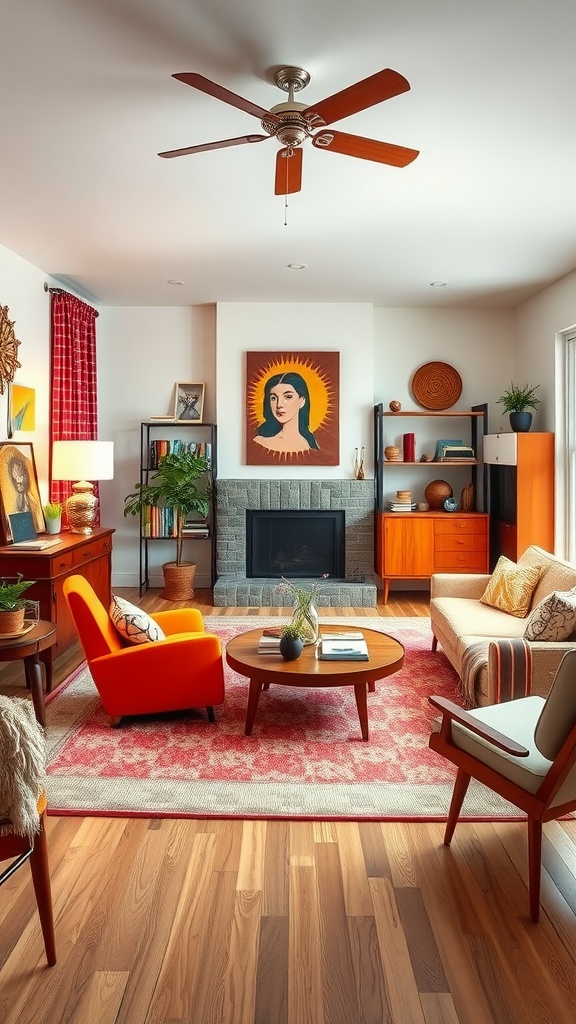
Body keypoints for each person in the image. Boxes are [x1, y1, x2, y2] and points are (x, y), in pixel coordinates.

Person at [253, 371, 319, 453]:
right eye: (273, 398)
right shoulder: (259, 443)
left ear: (302, 401)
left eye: (288, 397)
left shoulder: (310, 445)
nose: (279, 405)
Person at [1, 449, 44, 533]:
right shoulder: (11, 506)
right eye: (15, 478)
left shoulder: (34, 502)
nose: (19, 482)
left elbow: (38, 527)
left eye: (20, 476)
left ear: (26, 476)